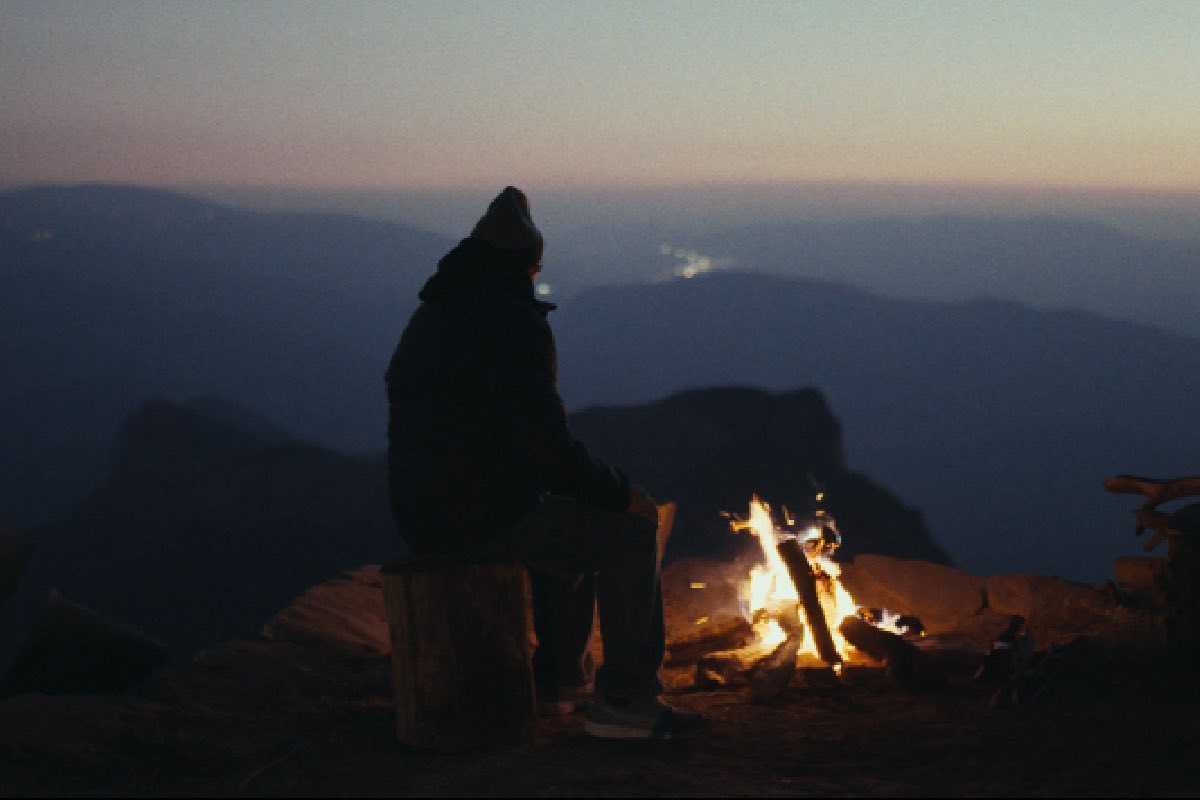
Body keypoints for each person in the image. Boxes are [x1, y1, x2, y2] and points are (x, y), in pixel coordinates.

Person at [384, 186, 707, 740]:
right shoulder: (511, 325)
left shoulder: (433, 314)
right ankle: (627, 702)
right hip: (478, 518)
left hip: (422, 512)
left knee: (563, 516)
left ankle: (562, 682)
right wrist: (620, 493)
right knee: (629, 533)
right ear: (526, 265)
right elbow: (546, 448)